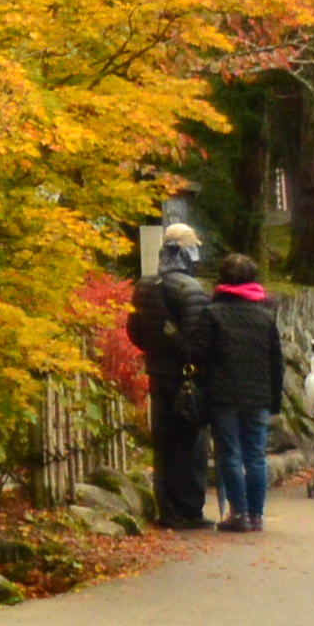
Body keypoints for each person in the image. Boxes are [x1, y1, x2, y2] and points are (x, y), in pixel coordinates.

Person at [131, 224, 216, 531]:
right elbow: (197, 343)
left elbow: (134, 331)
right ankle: (189, 509)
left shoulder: (145, 286)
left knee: (163, 443)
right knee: (190, 443)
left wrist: (156, 350)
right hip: (186, 379)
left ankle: (166, 507)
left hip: (157, 375)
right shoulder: (189, 290)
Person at [202, 251, 286, 530]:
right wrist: (274, 400)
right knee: (256, 455)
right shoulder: (265, 317)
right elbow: (277, 362)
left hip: (223, 395)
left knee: (230, 454)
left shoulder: (212, 314)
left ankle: (237, 514)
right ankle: (256, 514)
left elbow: (201, 355)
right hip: (258, 395)